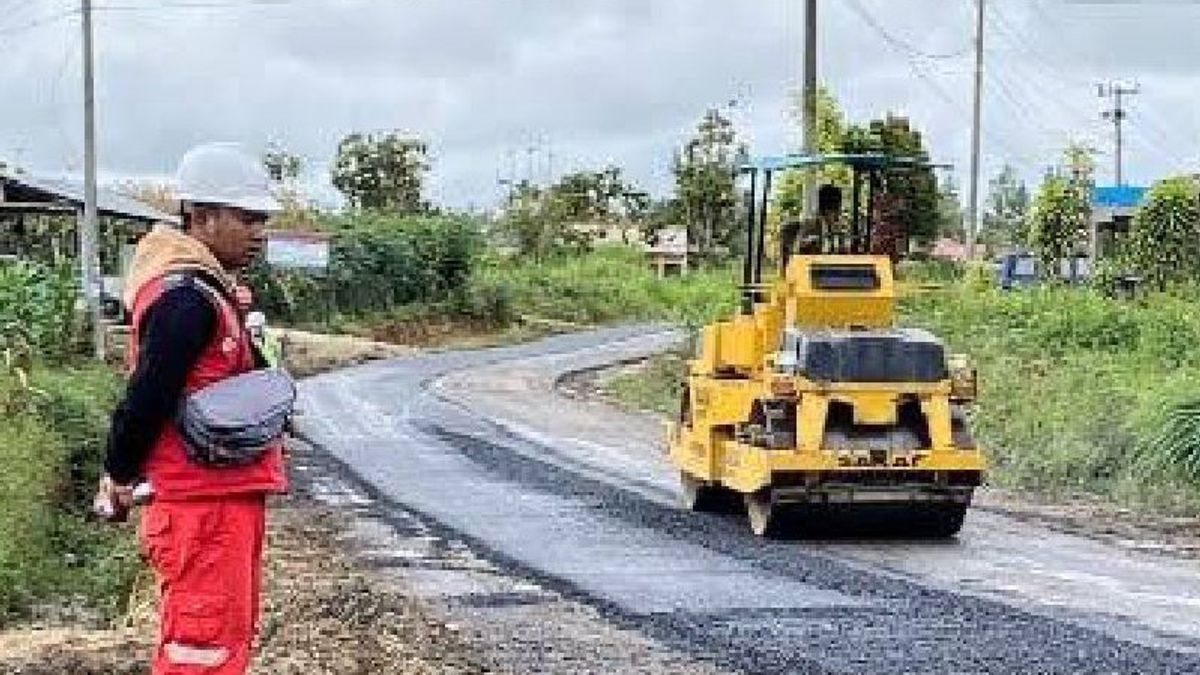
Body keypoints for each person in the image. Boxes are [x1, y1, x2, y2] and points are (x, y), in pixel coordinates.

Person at [96, 142, 286, 674]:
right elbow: (147, 395)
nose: (258, 232)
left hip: (218, 501)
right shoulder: (186, 298)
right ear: (201, 216)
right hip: (203, 509)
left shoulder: (206, 290)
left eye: (262, 219)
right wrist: (119, 473)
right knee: (201, 655)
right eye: (247, 218)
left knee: (219, 647)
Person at [778, 184, 845, 272]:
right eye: (838, 209)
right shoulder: (813, 226)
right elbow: (800, 252)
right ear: (833, 209)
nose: (839, 214)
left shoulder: (825, 228)